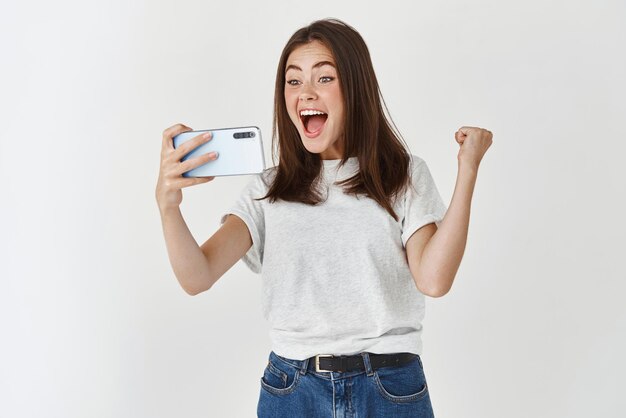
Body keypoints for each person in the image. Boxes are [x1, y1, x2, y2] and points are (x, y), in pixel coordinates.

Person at [156, 18, 492, 418]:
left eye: (325, 78)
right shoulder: (269, 189)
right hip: (293, 391)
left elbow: (434, 279)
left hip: (389, 388)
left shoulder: (401, 175)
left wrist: (467, 170)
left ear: (357, 88)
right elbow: (198, 276)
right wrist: (168, 206)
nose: (305, 93)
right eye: (293, 81)